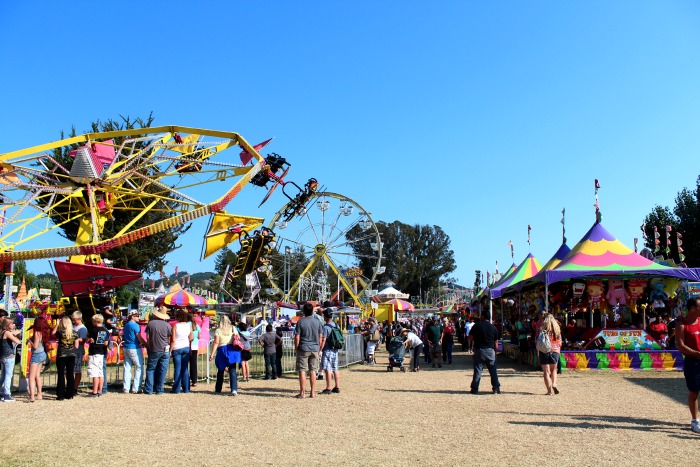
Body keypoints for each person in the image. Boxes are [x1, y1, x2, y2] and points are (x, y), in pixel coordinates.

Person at [676, 297, 700, 434]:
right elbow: (681, 345)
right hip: (693, 362)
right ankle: (695, 421)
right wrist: (697, 353)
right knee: (694, 391)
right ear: (692, 308)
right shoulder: (681, 325)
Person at [294, 303, 324, 398]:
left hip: (303, 347)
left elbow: (297, 336)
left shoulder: (301, 322)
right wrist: (318, 347)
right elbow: (320, 336)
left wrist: (296, 347)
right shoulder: (317, 322)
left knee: (302, 370)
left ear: (304, 311)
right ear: (312, 311)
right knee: (313, 370)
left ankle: (302, 392)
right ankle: (312, 392)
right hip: (315, 348)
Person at [469, 313, 501, 395]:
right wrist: (495, 352)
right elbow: (496, 343)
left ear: (483, 317)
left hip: (479, 350)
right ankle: (496, 388)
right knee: (493, 371)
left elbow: (470, 337)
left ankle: (475, 389)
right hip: (490, 350)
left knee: (478, 370)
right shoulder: (493, 327)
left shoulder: (476, 326)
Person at [209, 315, 241, 396]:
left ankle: (218, 389)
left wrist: (212, 354)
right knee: (232, 369)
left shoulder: (218, 331)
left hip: (222, 350)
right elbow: (238, 337)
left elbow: (216, 342)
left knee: (220, 370)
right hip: (232, 350)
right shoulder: (233, 328)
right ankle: (234, 389)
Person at [143, 307, 172, 395]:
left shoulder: (150, 324)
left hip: (154, 348)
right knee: (162, 370)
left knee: (150, 369)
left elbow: (147, 338)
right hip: (165, 349)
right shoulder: (168, 325)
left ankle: (149, 389)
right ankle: (159, 389)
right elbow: (169, 338)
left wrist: (148, 346)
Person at [52, 316, 80, 400]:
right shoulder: (75, 333)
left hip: (61, 355)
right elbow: (76, 345)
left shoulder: (60, 332)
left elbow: (53, 333)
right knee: (70, 374)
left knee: (61, 374)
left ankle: (60, 394)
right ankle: (70, 393)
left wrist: (56, 325)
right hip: (71, 355)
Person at [537, 314, 562, 395]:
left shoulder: (543, 329)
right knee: (554, 370)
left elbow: (539, 340)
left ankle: (549, 390)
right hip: (555, 351)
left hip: (544, 350)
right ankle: (554, 384)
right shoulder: (557, 329)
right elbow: (560, 342)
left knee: (546, 372)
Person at [122, 310, 146, 394]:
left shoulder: (126, 325)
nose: (138, 317)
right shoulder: (135, 325)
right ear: (132, 316)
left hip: (126, 347)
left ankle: (126, 388)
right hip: (134, 347)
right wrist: (145, 344)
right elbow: (139, 337)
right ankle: (136, 388)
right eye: (137, 316)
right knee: (139, 367)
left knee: (127, 367)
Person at [170, 309, 193, 394]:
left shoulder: (175, 326)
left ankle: (176, 389)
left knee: (177, 368)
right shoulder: (189, 326)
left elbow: (173, 339)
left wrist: (170, 350)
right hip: (186, 347)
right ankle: (186, 388)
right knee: (185, 368)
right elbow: (191, 337)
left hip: (177, 347)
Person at [28, 316, 50, 402]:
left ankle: (32, 396)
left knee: (31, 376)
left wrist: (30, 341)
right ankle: (39, 394)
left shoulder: (37, 332)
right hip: (42, 354)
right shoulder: (43, 332)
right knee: (37, 375)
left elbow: (35, 346)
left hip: (36, 354)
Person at [87, 314, 110, 397]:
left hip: (94, 353)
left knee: (95, 373)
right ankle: (100, 390)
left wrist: (90, 340)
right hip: (101, 353)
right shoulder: (105, 330)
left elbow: (89, 339)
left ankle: (94, 391)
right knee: (101, 373)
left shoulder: (93, 330)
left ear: (95, 321)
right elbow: (105, 343)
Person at [320, 309, 341, 394]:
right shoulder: (336, 325)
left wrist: (320, 349)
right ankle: (337, 386)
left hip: (328, 349)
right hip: (335, 349)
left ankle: (328, 387)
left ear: (325, 316)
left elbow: (324, 339)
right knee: (335, 368)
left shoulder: (325, 327)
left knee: (327, 369)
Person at [0, 319, 21, 402]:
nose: (13, 325)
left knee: (3, 376)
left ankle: (2, 393)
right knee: (8, 376)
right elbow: (17, 341)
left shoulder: (2, 332)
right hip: (9, 356)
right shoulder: (7, 333)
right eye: (12, 324)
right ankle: (7, 394)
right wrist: (15, 335)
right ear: (8, 324)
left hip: (2, 356)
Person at [70, 311, 88, 397]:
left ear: (79, 319)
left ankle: (75, 388)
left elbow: (83, 340)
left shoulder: (82, 329)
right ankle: (71, 386)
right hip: (72, 351)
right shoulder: (75, 327)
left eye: (74, 320)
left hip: (78, 351)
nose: (73, 321)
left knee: (77, 370)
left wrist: (74, 339)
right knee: (69, 370)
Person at [189, 312, 202, 387]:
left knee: (185, 364)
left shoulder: (187, 325)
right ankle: (194, 381)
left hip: (189, 346)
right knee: (193, 364)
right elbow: (199, 336)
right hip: (195, 346)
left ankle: (186, 380)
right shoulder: (197, 325)